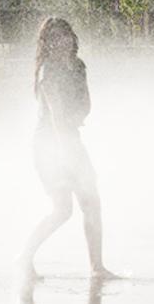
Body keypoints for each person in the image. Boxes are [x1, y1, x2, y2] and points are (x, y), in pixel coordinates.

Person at [17, 18, 115, 281]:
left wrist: (73, 127)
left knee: (91, 203)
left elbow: (87, 105)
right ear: (46, 44)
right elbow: (58, 118)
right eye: (55, 38)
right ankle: (24, 258)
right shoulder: (48, 72)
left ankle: (97, 267)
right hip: (51, 146)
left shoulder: (79, 66)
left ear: (73, 38)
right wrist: (69, 156)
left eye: (66, 35)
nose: (62, 41)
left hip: (70, 139)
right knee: (63, 210)